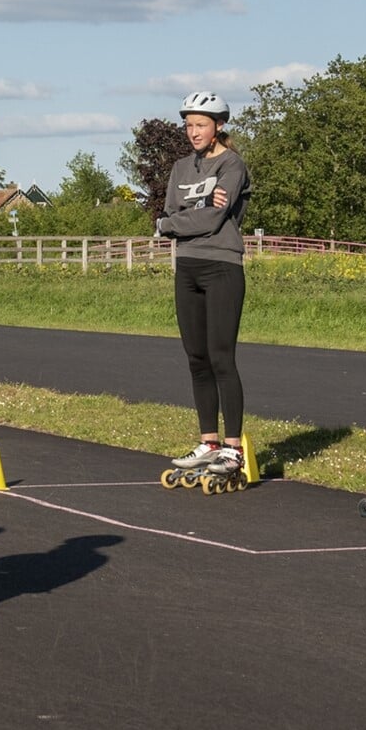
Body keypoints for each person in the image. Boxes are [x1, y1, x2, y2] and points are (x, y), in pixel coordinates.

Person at [154, 92, 254, 482]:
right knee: (196, 356)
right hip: (188, 267)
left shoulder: (232, 164)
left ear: (218, 126)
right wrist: (181, 218)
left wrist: (176, 221)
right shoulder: (181, 167)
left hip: (222, 266)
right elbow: (167, 213)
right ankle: (208, 442)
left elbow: (211, 220)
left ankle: (233, 448)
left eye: (200, 125)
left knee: (220, 356)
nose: (192, 131)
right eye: (188, 124)